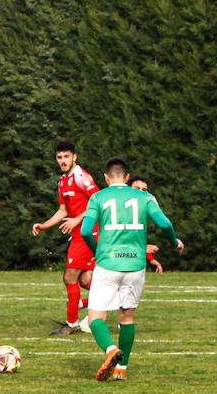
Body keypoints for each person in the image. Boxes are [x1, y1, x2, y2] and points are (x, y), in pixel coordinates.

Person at [80, 158, 182, 381]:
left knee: (95, 317)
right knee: (126, 318)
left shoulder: (98, 197)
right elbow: (165, 224)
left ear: (106, 178)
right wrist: (174, 243)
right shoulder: (145, 197)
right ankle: (121, 371)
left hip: (108, 263)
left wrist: (97, 251)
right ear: (127, 178)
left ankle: (110, 350)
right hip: (135, 265)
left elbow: (86, 230)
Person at [31, 141, 100, 335]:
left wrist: (77, 219)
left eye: (66, 156)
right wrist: (43, 225)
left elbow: (98, 201)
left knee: (69, 276)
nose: (63, 160)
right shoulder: (63, 181)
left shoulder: (81, 177)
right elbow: (63, 211)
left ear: (74, 157)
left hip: (88, 232)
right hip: (79, 233)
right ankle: (115, 298)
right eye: (60, 157)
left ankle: (71, 324)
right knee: (86, 280)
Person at [131, 175, 183, 272]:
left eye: (144, 190)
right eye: (137, 188)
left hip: (111, 262)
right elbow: (165, 224)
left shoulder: (108, 198)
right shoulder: (148, 199)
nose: (140, 192)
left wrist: (150, 258)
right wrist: (174, 242)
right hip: (124, 264)